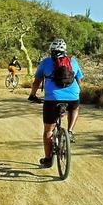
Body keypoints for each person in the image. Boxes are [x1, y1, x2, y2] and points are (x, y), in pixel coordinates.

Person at [28, 39, 83, 167]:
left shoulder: (46, 62)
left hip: (52, 99)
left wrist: (32, 95)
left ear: (51, 50)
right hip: (72, 96)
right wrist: (77, 94)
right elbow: (79, 81)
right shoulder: (73, 61)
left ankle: (48, 159)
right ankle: (69, 131)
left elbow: (36, 82)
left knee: (48, 131)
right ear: (65, 50)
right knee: (75, 108)